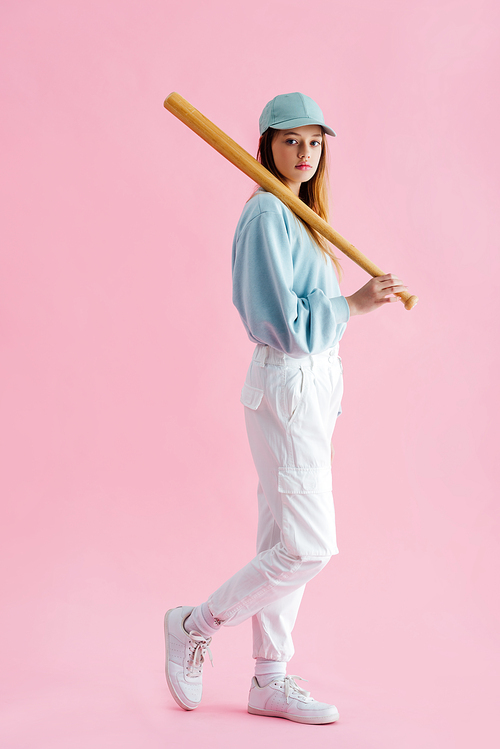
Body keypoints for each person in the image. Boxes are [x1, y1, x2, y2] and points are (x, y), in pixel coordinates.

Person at [164, 92, 407, 725]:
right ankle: (195, 622)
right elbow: (282, 324)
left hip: (317, 384)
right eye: (290, 140)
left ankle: (268, 678)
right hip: (290, 382)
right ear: (266, 144)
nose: (303, 152)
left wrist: (350, 309)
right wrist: (352, 305)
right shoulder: (268, 215)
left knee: (281, 535)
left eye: (314, 142)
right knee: (309, 547)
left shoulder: (300, 215)